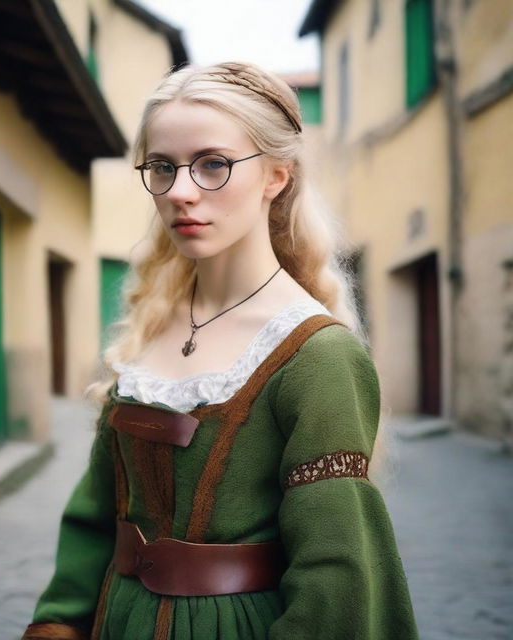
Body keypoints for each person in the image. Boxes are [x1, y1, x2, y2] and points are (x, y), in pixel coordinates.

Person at [21, 61, 418, 640]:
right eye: (162, 167)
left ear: (277, 176)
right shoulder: (147, 329)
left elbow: (338, 579)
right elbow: (94, 513)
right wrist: (57, 622)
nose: (180, 191)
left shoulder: (315, 355)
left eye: (213, 164)